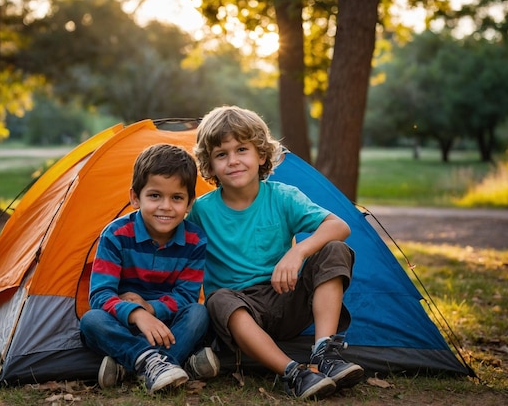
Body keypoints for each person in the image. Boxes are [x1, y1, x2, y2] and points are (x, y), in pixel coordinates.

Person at [186, 106, 364, 400]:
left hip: (287, 297)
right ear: (210, 164)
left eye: (241, 149)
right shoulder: (202, 211)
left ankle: (324, 354)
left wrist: (299, 252)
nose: (233, 161)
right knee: (218, 299)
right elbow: (180, 255)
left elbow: (340, 226)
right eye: (221, 154)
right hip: (241, 313)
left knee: (335, 249)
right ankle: (294, 373)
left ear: (261, 154)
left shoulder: (282, 196)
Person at [80, 144, 219, 395]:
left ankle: (132, 364)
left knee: (198, 313)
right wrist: (137, 314)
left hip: (167, 325)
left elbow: (186, 296)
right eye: (155, 196)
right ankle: (163, 361)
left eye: (176, 197)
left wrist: (151, 309)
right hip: (122, 323)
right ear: (135, 198)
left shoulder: (195, 240)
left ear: (189, 203)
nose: (166, 206)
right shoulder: (115, 235)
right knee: (92, 321)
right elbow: (100, 296)